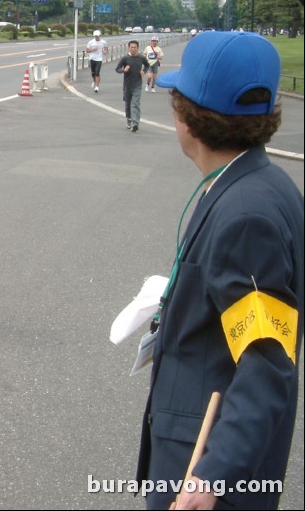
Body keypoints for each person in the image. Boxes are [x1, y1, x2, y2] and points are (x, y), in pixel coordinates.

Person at [136, 31, 304, 509]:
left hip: (205, 462)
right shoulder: (259, 181)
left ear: (186, 116)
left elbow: (268, 354)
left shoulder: (247, 215)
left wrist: (211, 475)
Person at [115, 40, 150, 132]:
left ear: (138, 48)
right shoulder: (125, 58)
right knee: (128, 104)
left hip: (137, 84)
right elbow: (117, 69)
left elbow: (147, 65)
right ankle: (129, 119)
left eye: (135, 47)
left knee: (135, 103)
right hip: (127, 85)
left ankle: (135, 123)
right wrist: (124, 70)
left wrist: (144, 71)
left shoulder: (141, 57)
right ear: (129, 48)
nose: (133, 49)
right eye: (131, 47)